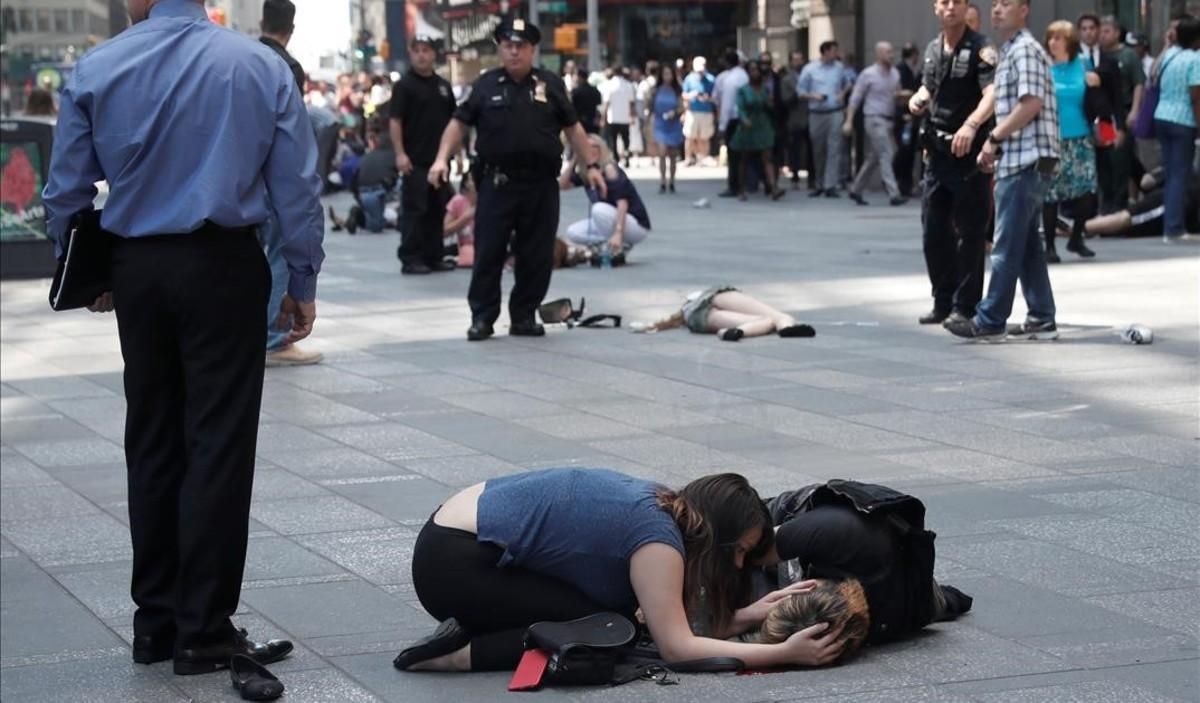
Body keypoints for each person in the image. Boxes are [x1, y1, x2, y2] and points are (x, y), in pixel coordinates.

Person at [40, 0, 320, 677]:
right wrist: (302, 278)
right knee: (218, 442)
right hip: (223, 263)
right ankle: (204, 628)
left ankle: (155, 622)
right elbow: (297, 187)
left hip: (139, 268)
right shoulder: (257, 65)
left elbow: (64, 193)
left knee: (153, 438)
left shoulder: (98, 66)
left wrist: (92, 270)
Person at [393, 469, 845, 672]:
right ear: (715, 534)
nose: (741, 565)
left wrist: (745, 617)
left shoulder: (664, 505)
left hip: (452, 537)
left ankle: (469, 628)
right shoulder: (658, 544)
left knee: (622, 613)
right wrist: (785, 653)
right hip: (453, 563)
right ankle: (452, 656)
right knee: (611, 627)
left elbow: (667, 616)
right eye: (739, 552)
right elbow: (678, 648)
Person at [427, 17, 604, 341]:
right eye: (508, 46)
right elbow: (458, 124)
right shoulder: (486, 85)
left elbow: (573, 128)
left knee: (536, 254)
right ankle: (482, 317)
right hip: (498, 185)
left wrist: (590, 166)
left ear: (532, 49)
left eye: (520, 46)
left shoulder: (550, 84)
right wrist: (441, 158)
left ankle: (523, 315)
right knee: (489, 251)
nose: (514, 52)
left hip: (540, 185)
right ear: (500, 49)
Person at [947, 0, 1060, 342]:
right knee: (1025, 244)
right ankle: (1041, 315)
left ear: (1024, 10)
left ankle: (990, 319)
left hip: (1028, 160)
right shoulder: (1012, 51)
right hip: (1023, 157)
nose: (997, 10)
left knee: (1006, 243)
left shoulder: (1025, 50)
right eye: (994, 4)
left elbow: (1031, 103)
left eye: (1006, 3)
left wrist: (993, 138)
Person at [751, 481, 973, 648]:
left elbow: (956, 601)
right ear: (807, 586)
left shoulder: (902, 617)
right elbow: (953, 599)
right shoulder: (838, 532)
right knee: (740, 544)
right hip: (794, 515)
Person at [909, 0, 996, 326]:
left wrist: (972, 125)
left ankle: (965, 305)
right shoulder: (933, 48)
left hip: (968, 154)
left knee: (970, 233)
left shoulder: (981, 48)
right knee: (933, 231)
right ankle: (941, 300)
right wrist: (917, 98)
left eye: (957, 3)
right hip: (937, 152)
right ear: (935, 8)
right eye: (944, 2)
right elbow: (928, 86)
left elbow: (992, 93)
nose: (950, 8)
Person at [255, 0, 324, 368]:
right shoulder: (287, 67)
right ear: (291, 29)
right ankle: (274, 337)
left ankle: (254, 334)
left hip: (244, 182)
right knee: (282, 250)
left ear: (262, 21)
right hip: (275, 179)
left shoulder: (246, 58)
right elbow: (292, 141)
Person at [391, 35, 457, 275]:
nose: (421, 55)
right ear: (411, 53)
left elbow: (455, 122)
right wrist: (400, 154)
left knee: (437, 209)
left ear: (433, 54)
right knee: (415, 210)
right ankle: (411, 257)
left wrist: (455, 155)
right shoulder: (404, 86)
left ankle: (434, 255)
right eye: (417, 50)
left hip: (439, 162)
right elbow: (395, 121)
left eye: (426, 50)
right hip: (414, 161)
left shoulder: (443, 86)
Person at [1040, 21, 1099, 264]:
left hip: (1081, 137)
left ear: (1069, 42)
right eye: (1050, 38)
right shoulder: (1043, 67)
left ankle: (1076, 237)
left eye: (1058, 38)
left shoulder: (1083, 65)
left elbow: (1098, 94)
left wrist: (1097, 82)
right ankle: (1050, 247)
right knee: (1050, 194)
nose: (1052, 42)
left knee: (1087, 190)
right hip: (1050, 137)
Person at [559, 134, 651, 261]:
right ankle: (613, 245)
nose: (591, 150)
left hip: (634, 223)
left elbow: (622, 203)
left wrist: (618, 233)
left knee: (598, 209)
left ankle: (616, 244)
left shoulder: (610, 169)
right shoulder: (587, 172)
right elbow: (562, 185)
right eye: (586, 147)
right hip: (609, 220)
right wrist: (575, 159)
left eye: (595, 146)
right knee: (573, 232)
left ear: (602, 149)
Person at [1153, 15, 1200, 243]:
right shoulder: (1195, 59)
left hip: (1162, 116)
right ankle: (1173, 228)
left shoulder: (1170, 55)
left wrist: (1166, 45)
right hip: (1183, 120)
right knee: (1180, 175)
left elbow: (1153, 75)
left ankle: (1170, 224)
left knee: (1171, 173)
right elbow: (1195, 96)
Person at [844, 42, 906, 207]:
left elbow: (897, 94)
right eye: (887, 52)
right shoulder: (868, 74)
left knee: (875, 156)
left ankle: (856, 189)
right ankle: (894, 193)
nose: (891, 55)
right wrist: (849, 121)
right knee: (887, 152)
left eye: (892, 52)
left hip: (888, 120)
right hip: (873, 118)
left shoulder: (894, 74)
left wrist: (903, 97)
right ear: (878, 54)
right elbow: (855, 98)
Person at [632, 287, 815, 341]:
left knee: (765, 321)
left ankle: (735, 332)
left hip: (699, 317)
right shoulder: (693, 304)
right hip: (716, 294)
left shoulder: (687, 316)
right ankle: (785, 326)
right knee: (775, 316)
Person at [1099, 15, 1146, 212]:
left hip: (1123, 113)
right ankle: (1107, 203)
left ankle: (1120, 203)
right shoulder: (1098, 55)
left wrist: (1135, 110)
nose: (1102, 35)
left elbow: (1138, 84)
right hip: (1104, 115)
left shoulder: (1128, 56)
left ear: (1117, 33)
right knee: (1106, 158)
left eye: (1107, 31)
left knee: (1121, 158)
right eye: (1101, 31)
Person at [797, 41, 852, 197]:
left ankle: (830, 185)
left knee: (834, 148)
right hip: (816, 112)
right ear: (825, 52)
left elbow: (848, 83)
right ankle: (819, 182)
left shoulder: (839, 68)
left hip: (835, 112)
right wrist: (813, 96)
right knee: (818, 149)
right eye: (834, 51)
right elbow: (800, 91)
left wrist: (842, 93)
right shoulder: (810, 69)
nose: (836, 54)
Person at [731, 62, 785, 202]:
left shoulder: (764, 89)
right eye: (752, 70)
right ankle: (741, 189)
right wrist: (744, 119)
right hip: (748, 125)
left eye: (757, 70)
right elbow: (740, 107)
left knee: (767, 157)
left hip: (762, 124)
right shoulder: (743, 90)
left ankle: (773, 188)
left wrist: (770, 104)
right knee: (745, 159)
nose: (755, 73)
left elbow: (769, 105)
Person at [715, 51, 749, 197]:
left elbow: (727, 105)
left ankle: (734, 185)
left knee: (734, 155)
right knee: (744, 154)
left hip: (734, 120)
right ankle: (745, 183)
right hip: (747, 118)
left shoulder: (730, 80)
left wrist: (722, 126)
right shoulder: (744, 76)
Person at [781, 51, 814, 191]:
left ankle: (812, 179)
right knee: (794, 149)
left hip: (810, 116)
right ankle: (794, 177)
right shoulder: (787, 80)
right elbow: (785, 100)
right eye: (795, 60)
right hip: (795, 118)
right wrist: (798, 93)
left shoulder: (810, 77)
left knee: (811, 149)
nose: (798, 62)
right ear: (791, 62)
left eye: (800, 59)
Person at [894, 44, 923, 197]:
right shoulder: (899, 70)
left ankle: (907, 184)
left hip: (913, 117)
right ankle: (901, 183)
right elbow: (897, 94)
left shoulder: (915, 71)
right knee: (903, 152)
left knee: (911, 152)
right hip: (902, 117)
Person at [652, 64, 685, 193]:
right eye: (665, 74)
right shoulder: (656, 90)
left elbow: (682, 107)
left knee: (672, 155)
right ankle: (662, 181)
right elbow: (650, 107)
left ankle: (671, 180)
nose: (667, 77)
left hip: (673, 124)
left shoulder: (677, 90)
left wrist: (675, 112)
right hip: (660, 123)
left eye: (669, 74)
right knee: (662, 152)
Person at [682, 57, 717, 166]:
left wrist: (708, 98)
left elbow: (716, 97)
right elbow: (684, 95)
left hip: (706, 112)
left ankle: (703, 158)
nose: (700, 73)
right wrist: (692, 95)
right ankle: (688, 158)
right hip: (692, 112)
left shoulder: (711, 79)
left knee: (704, 137)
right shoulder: (689, 79)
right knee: (690, 136)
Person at [601, 66, 635, 168]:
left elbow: (606, 103)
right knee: (626, 139)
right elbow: (632, 103)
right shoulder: (628, 85)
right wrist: (632, 116)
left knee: (613, 139)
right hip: (625, 117)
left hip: (613, 117)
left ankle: (616, 158)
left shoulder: (609, 85)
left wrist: (603, 117)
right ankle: (626, 154)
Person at [444, 173, 477, 267]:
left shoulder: (491, 201)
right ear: (466, 183)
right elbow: (444, 231)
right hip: (463, 245)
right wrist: (465, 218)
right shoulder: (458, 201)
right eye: (472, 179)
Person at [571, 67, 603, 135]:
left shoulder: (576, 92)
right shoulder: (595, 91)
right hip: (592, 123)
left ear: (580, 77)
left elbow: (571, 108)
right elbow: (599, 107)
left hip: (579, 124)